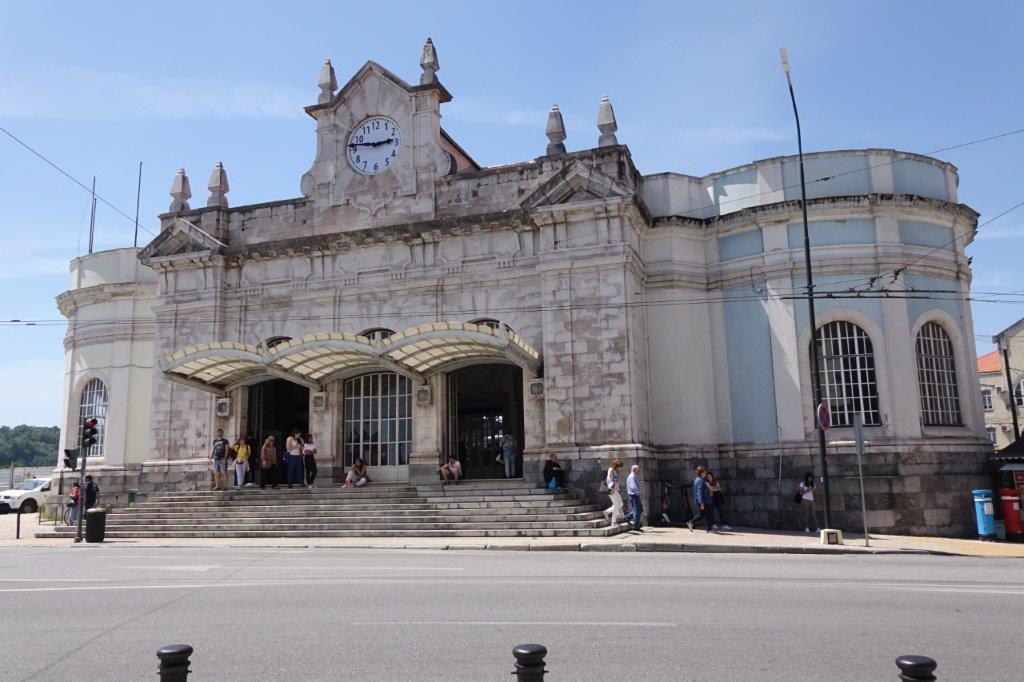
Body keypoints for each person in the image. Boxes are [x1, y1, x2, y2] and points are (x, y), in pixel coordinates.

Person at [687, 465, 715, 533]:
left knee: (702, 514)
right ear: (702, 473)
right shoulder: (700, 481)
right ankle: (709, 529)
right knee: (709, 514)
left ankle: (691, 522)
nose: (706, 474)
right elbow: (699, 491)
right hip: (705, 500)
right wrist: (701, 502)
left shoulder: (697, 479)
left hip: (703, 500)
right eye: (705, 472)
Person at [603, 458, 624, 525]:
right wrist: (612, 487)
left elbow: (616, 480)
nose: (620, 468)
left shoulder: (616, 470)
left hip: (616, 489)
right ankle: (613, 522)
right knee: (617, 505)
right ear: (616, 465)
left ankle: (607, 512)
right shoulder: (611, 469)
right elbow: (609, 479)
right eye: (619, 466)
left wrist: (617, 486)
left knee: (620, 504)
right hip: (611, 489)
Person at [626, 464, 644, 532]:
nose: (639, 470)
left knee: (640, 509)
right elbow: (633, 487)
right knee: (637, 510)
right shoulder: (632, 477)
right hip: (634, 495)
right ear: (634, 470)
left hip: (635, 495)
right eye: (638, 469)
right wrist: (639, 493)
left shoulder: (634, 476)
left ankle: (627, 517)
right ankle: (636, 526)